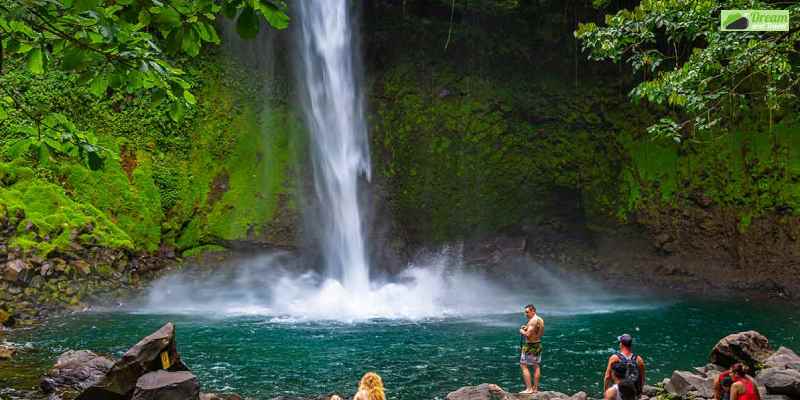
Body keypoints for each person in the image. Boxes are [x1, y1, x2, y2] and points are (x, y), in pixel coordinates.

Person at [603, 334, 645, 399]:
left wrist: (606, 392)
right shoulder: (639, 359)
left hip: (619, 393)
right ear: (631, 345)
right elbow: (642, 379)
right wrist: (640, 393)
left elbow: (607, 377)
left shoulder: (615, 358)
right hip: (633, 393)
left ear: (621, 344)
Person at [519, 304, 545, 394]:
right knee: (536, 365)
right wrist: (527, 328)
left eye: (527, 312)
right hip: (538, 343)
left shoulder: (532, 321)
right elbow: (538, 332)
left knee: (523, 365)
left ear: (533, 311)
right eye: (525, 312)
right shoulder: (540, 319)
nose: (525, 314)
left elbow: (528, 335)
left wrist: (522, 331)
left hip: (530, 346)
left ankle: (529, 389)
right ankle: (535, 389)